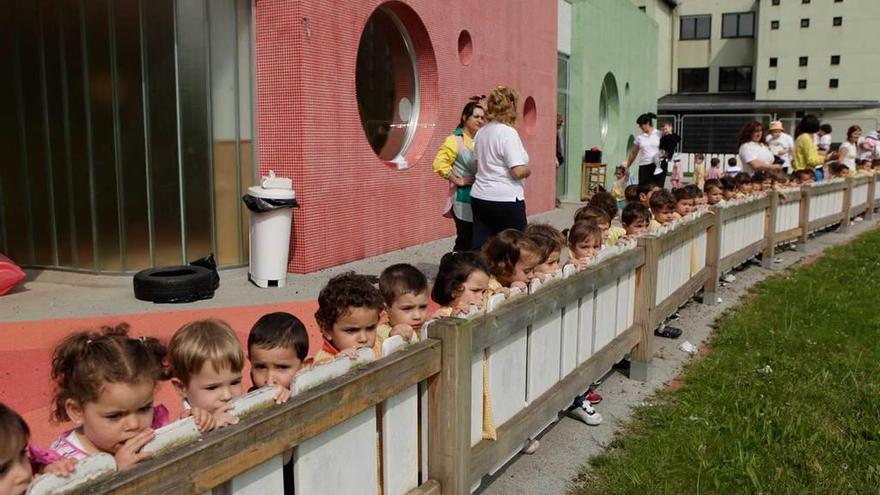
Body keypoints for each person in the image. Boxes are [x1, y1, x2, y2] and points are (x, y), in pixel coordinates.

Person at [47, 324, 169, 469]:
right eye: (115, 416)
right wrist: (120, 475)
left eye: (144, 409)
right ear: (77, 411)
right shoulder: (66, 464)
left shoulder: (154, 430)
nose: (134, 424)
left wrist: (194, 420)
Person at [169, 319, 289, 427]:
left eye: (234, 382)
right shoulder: (186, 425)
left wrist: (276, 397)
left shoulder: (242, 405)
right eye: (212, 387)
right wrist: (211, 429)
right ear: (181, 387)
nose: (227, 395)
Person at [471, 86, 531, 249]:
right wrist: (528, 170)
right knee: (517, 246)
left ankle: (480, 272)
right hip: (506, 198)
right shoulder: (508, 133)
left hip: (480, 195)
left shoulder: (481, 133)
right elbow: (517, 171)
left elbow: (477, 166)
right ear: (510, 107)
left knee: (483, 246)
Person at [433, 101, 485, 251]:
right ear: (464, 117)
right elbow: (439, 163)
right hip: (464, 200)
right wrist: (458, 180)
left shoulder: (481, 139)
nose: (480, 121)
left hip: (480, 198)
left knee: (478, 242)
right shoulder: (454, 140)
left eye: (482, 118)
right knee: (465, 240)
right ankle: (453, 270)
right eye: (476, 116)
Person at [313, 272, 386, 364]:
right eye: (351, 330)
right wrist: (338, 365)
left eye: (370, 328)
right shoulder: (323, 363)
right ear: (326, 330)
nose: (363, 339)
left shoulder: (379, 342)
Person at [248, 312, 312, 391]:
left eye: (282, 367)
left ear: (305, 366)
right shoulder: (246, 401)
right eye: (261, 367)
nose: (269, 381)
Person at [377, 263, 429, 342]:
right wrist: (391, 336)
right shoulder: (378, 335)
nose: (417, 316)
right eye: (407, 308)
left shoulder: (424, 327)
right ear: (386, 308)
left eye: (423, 307)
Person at [430, 251, 490, 318]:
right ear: (454, 290)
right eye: (475, 291)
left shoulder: (485, 300)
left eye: (484, 292)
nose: (481, 297)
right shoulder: (441, 318)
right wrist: (453, 321)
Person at [626, 113, 664, 187]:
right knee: (644, 188)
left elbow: (667, 147)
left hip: (657, 165)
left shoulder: (659, 134)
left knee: (657, 188)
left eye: (641, 125)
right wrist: (628, 166)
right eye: (639, 126)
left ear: (647, 123)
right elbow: (633, 153)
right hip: (644, 166)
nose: (640, 127)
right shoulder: (639, 137)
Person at [792, 114, 829, 180]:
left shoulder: (802, 137)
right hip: (804, 174)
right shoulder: (806, 138)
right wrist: (826, 158)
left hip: (801, 172)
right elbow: (811, 160)